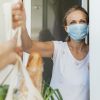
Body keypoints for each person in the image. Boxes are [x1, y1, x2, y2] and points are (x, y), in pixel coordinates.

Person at [13, 2, 89, 100]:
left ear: (87, 25)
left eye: (82, 21)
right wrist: (22, 25)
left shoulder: (94, 54)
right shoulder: (59, 49)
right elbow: (28, 46)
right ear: (66, 28)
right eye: (73, 22)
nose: (78, 25)